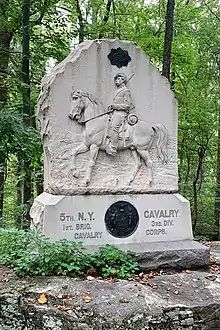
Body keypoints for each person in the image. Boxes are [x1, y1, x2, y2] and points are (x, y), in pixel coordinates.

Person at [106, 73, 132, 156]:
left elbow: (127, 105)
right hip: (115, 112)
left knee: (114, 127)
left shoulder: (126, 91)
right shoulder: (118, 91)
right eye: (116, 79)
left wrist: (115, 106)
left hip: (121, 113)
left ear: (123, 80)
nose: (116, 81)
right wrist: (111, 108)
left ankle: (113, 147)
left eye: (118, 79)